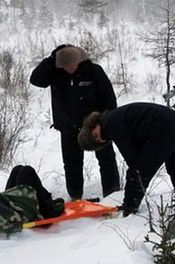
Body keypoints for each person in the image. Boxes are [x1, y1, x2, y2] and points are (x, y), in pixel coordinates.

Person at [30, 44, 120, 200]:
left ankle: (112, 195)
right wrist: (52, 59)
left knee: (107, 161)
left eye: (72, 64)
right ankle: (75, 196)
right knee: (72, 164)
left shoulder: (94, 71)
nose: (69, 68)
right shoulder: (55, 74)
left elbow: (109, 99)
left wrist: (104, 122)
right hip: (68, 127)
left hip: (96, 126)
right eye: (64, 65)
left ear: (79, 60)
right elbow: (36, 80)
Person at [77, 102, 175, 217]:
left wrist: (128, 204)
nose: (100, 138)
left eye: (95, 135)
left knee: (138, 171)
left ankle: (130, 209)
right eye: (98, 141)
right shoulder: (115, 117)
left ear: (93, 124)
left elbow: (135, 165)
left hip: (162, 128)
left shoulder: (110, 123)